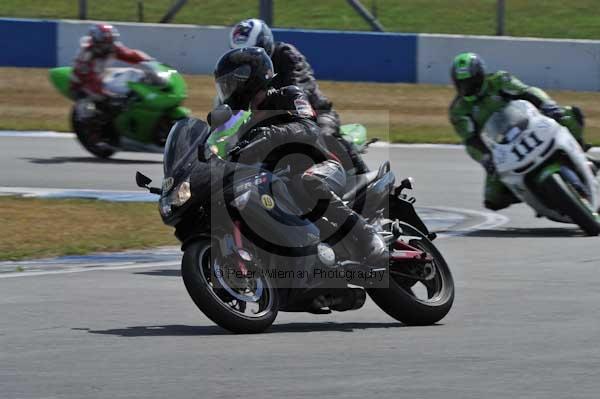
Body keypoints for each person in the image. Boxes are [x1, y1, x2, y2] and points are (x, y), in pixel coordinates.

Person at [211, 47, 388, 270]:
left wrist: (272, 134)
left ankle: (365, 234)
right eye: (224, 85)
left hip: (322, 167)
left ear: (251, 78)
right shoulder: (244, 122)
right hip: (280, 181)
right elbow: (228, 150)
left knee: (306, 182)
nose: (228, 90)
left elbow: (309, 128)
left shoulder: (289, 94)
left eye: (231, 83)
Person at [449, 52, 594, 211]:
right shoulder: (459, 110)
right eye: (462, 84)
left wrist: (547, 105)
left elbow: (527, 91)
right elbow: (470, 141)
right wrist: (485, 158)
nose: (466, 87)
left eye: (470, 82)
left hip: (529, 126)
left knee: (569, 115)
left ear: (480, 75)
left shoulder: (499, 80)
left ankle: (581, 153)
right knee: (492, 200)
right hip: (501, 149)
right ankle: (531, 193)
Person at [228, 18, 368, 174]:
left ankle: (364, 178)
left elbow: (299, 88)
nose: (247, 61)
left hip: (311, 111)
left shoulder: (286, 56)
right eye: (241, 58)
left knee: (326, 134)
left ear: (265, 44)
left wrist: (276, 99)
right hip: (270, 119)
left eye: (251, 54)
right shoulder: (241, 75)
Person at [70, 24, 153, 111]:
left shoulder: (111, 47)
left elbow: (130, 55)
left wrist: (149, 61)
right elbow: (90, 82)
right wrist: (111, 97)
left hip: (99, 79)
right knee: (89, 109)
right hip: (82, 87)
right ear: (96, 41)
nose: (108, 46)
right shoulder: (86, 56)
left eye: (110, 42)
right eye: (105, 43)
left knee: (133, 73)